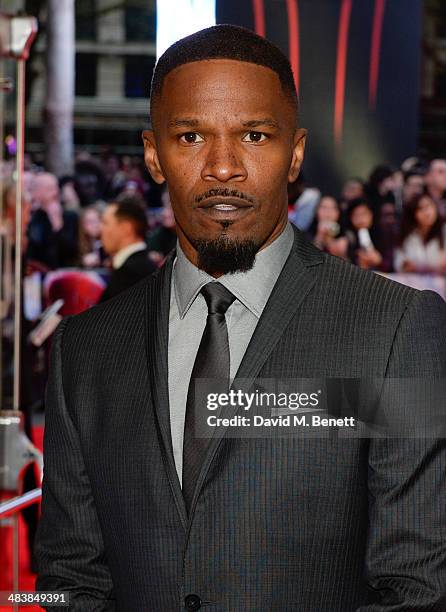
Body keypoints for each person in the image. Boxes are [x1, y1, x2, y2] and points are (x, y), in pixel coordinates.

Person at [35, 25, 446, 611]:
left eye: (254, 135)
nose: (222, 167)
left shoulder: (395, 330)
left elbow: (420, 589)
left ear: (296, 153)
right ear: (153, 155)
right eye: (191, 136)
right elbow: (69, 581)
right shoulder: (87, 348)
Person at [98, 194, 156, 302]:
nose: (100, 229)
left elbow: (108, 317)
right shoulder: (141, 267)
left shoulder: (131, 274)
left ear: (126, 228)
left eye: (105, 223)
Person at [394, 193, 446, 274]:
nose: (427, 212)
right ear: (413, 214)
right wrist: (405, 265)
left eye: (429, 206)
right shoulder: (408, 234)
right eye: (421, 208)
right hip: (413, 282)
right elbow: (399, 262)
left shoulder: (444, 230)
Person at [345, 198, 383, 270]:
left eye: (363, 214)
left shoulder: (382, 233)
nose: (360, 219)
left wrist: (379, 261)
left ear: (371, 214)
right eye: (356, 215)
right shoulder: (348, 236)